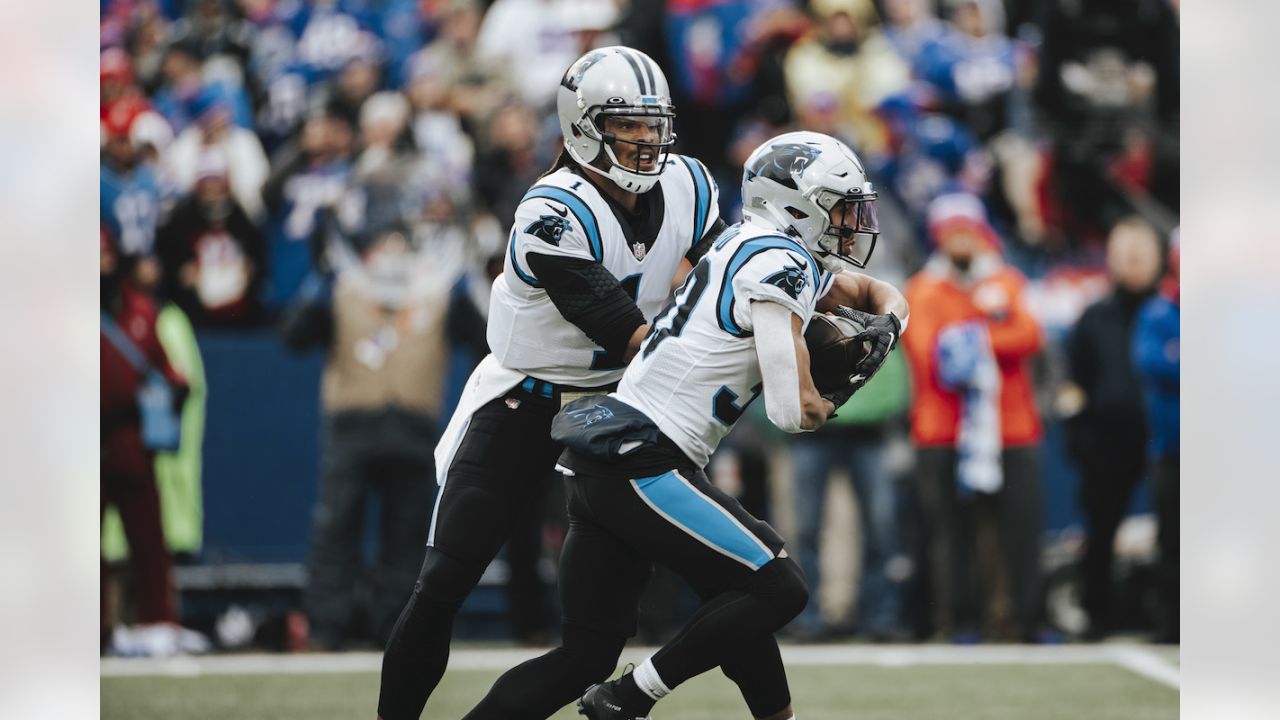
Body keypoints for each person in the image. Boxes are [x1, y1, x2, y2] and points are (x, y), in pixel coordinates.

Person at [465, 131, 910, 720]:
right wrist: (839, 389)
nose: (852, 222)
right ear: (798, 205)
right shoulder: (779, 265)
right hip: (645, 459)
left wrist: (891, 322)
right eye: (840, 206)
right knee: (778, 587)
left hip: (611, 458)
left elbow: (868, 291)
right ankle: (628, 698)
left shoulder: (751, 245)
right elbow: (790, 410)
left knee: (596, 650)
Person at [376, 46, 729, 720]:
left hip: (612, 411)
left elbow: (722, 284)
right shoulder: (552, 210)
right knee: (443, 583)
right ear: (583, 125)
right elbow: (627, 329)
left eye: (655, 125)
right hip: (523, 403)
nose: (648, 140)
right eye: (629, 125)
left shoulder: (689, 183)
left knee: (596, 645)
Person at [902, 192, 1044, 642]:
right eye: (952, 230)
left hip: (1012, 427)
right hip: (943, 430)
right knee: (951, 534)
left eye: (968, 228)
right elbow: (933, 356)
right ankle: (958, 622)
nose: (961, 238)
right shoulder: (922, 289)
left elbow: (1028, 335)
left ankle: (1025, 621)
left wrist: (970, 339)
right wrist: (989, 332)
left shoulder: (1008, 281)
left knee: (1019, 531)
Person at [1062, 216, 1163, 638]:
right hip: (1109, 438)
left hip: (1166, 437)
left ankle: (1170, 615)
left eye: (1142, 250)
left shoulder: (1174, 310)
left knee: (1177, 530)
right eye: (1125, 250)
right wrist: (1077, 434)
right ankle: (1096, 614)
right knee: (1101, 528)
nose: (1134, 259)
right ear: (1111, 257)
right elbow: (1073, 383)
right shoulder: (1094, 316)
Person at [1133, 230, 1178, 643]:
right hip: (1173, 447)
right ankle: (1172, 623)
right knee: (1173, 538)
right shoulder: (1159, 312)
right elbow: (1154, 364)